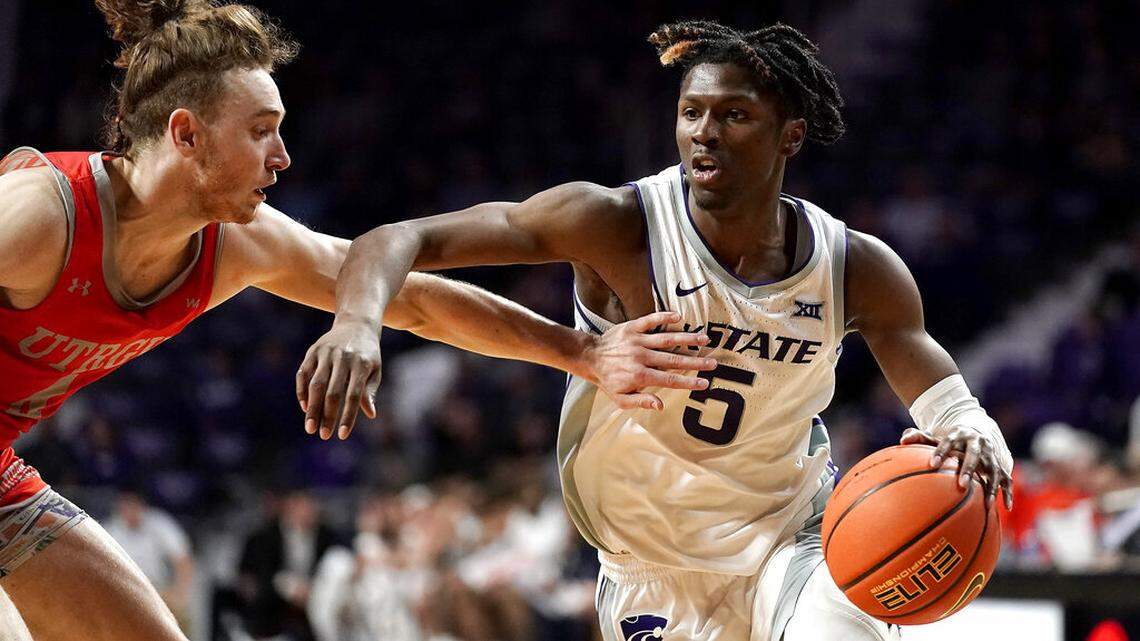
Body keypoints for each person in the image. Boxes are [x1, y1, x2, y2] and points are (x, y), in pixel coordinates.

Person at [0, 2, 716, 640]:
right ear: (186, 134)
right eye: (261, 131)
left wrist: (584, 351)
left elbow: (412, 299)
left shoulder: (237, 245)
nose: (282, 157)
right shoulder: (40, 217)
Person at [303, 20, 1017, 641]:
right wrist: (357, 322)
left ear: (789, 135)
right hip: (652, 566)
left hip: (790, 540)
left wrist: (973, 435)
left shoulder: (855, 267)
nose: (704, 131)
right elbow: (397, 238)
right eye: (691, 111)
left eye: (733, 115)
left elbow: (947, 401)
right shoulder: (615, 225)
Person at [105, 488, 195, 629]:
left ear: (142, 506)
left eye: (133, 506)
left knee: (181, 622)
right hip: (125, 590)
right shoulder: (111, 530)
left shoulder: (159, 523)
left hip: (159, 589)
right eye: (125, 507)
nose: (129, 512)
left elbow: (182, 560)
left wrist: (179, 593)